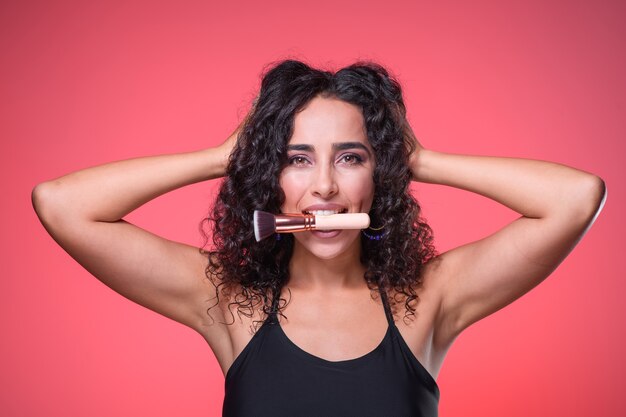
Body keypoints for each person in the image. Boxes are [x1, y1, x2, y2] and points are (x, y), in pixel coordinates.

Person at [31, 59, 606, 417]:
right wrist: (222, 156)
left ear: (378, 173)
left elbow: (575, 198)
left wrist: (421, 160)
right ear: (268, 176)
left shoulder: (432, 298)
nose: (326, 187)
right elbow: (62, 206)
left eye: (351, 158)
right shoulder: (230, 301)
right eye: (296, 160)